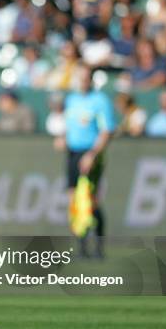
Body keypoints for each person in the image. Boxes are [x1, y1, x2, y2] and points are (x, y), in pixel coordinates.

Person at [64, 64, 116, 258]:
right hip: (72, 153)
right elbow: (70, 125)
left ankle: (99, 246)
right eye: (80, 77)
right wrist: (63, 138)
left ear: (92, 79)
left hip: (90, 153)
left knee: (90, 201)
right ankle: (82, 247)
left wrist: (93, 153)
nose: (82, 81)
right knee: (74, 200)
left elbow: (106, 130)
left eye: (86, 77)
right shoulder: (72, 100)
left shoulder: (99, 100)